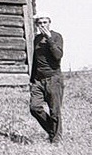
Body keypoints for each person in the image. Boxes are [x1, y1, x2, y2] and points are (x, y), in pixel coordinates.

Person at [29, 12, 64, 143]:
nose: (42, 25)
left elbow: (58, 56)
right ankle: (53, 130)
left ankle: (56, 139)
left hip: (53, 79)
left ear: (49, 23)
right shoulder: (36, 39)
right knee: (34, 108)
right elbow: (35, 60)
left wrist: (49, 39)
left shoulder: (56, 36)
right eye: (40, 23)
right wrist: (32, 80)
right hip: (39, 80)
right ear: (37, 25)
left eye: (45, 22)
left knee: (55, 111)